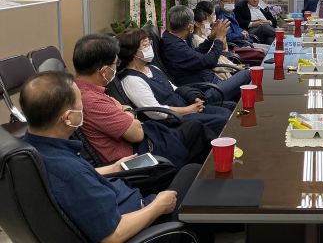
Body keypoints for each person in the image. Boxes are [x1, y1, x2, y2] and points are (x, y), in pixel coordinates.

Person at [20, 71, 205, 243]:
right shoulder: (69, 173)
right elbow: (112, 236)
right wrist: (158, 206)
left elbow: (77, 179)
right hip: (138, 225)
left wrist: (113, 168)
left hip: (122, 201)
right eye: (80, 105)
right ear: (68, 118)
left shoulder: (35, 147)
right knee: (193, 173)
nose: (83, 108)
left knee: (188, 172)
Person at [73, 34, 213, 167]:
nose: (117, 67)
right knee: (197, 131)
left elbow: (125, 113)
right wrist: (127, 111)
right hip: (138, 158)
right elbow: (137, 134)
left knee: (195, 128)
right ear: (104, 71)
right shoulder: (92, 101)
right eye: (115, 63)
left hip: (143, 143)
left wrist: (124, 110)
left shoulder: (85, 89)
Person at [117, 29, 231, 134]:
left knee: (226, 113)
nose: (149, 48)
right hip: (172, 121)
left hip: (184, 106)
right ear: (133, 53)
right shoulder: (131, 80)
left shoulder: (152, 68)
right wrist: (189, 110)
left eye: (149, 44)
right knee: (223, 121)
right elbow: (156, 112)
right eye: (145, 45)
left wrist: (193, 98)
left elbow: (174, 88)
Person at [160, 5, 251, 103]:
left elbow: (196, 55)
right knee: (248, 73)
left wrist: (211, 38)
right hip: (206, 91)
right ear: (190, 26)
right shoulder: (174, 46)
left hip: (211, 82)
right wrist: (219, 39)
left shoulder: (174, 39)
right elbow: (210, 61)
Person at [191, 7, 246, 80]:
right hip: (222, 74)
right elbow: (214, 62)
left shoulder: (205, 36)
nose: (209, 23)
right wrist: (235, 67)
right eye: (205, 21)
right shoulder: (198, 40)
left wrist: (218, 34)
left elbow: (223, 48)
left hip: (229, 67)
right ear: (197, 24)